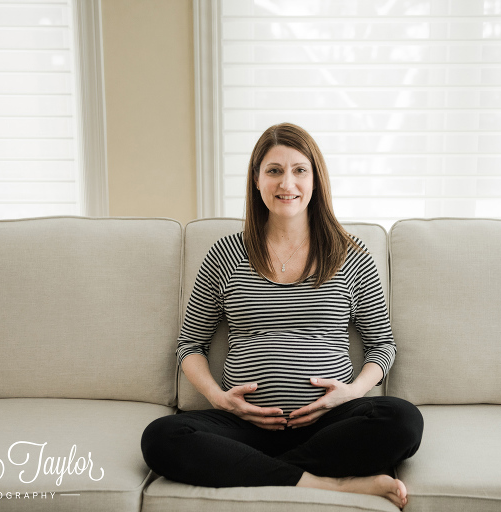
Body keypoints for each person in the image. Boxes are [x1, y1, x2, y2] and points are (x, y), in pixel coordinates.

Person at [141, 123, 423, 509]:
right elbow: (190, 344)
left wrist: (352, 393)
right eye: (274, 170)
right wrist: (220, 399)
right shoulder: (225, 255)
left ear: (316, 180)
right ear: (256, 180)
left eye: (299, 170)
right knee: (161, 438)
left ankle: (254, 471)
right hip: (245, 425)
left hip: (331, 423)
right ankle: (328, 485)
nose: (286, 182)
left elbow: (382, 345)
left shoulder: (350, 255)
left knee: (403, 421)